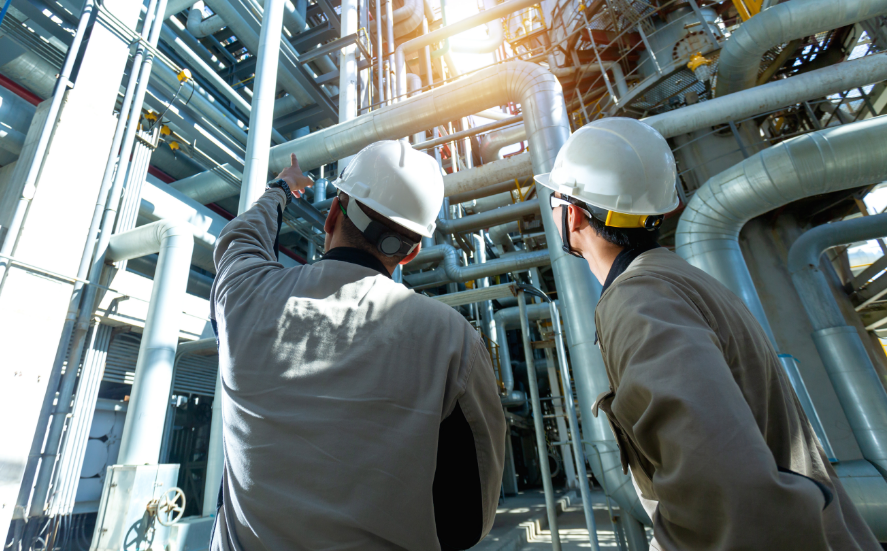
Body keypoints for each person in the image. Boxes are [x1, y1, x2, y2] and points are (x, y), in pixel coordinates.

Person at [535, 118, 880, 550]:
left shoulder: (639, 299)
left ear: (573, 214)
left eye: (554, 198)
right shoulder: (678, 279)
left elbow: (728, 497)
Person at [209, 140, 506, 551]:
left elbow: (238, 239)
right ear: (412, 252)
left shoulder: (245, 295)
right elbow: (467, 521)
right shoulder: (453, 339)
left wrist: (282, 187)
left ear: (333, 213)